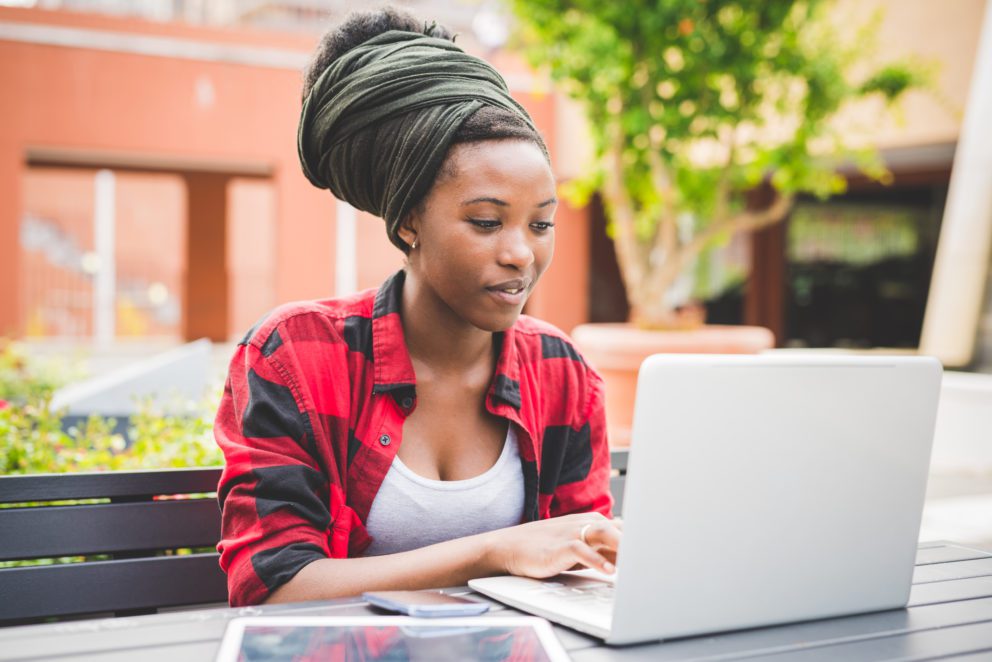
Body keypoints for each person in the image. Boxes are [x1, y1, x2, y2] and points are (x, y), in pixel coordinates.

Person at [214, 7, 621, 607]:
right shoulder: (294, 356)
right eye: (486, 222)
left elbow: (584, 568)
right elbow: (270, 584)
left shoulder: (561, 372)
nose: (520, 254)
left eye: (541, 224)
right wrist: (493, 550)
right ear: (408, 224)